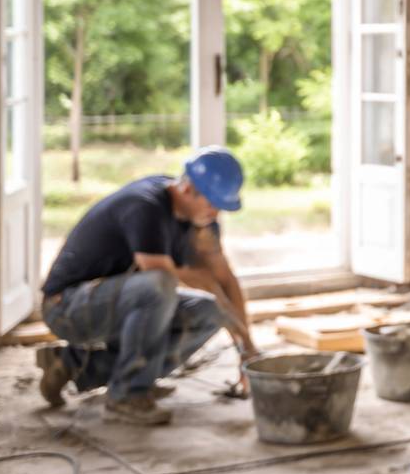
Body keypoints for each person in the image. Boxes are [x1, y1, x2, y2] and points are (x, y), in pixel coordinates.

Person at [35, 147, 256, 426]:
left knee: (209, 311)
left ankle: (72, 365)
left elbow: (224, 279)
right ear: (187, 189)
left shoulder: (201, 220)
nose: (216, 213)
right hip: (66, 307)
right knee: (158, 286)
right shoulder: (145, 206)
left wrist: (248, 347)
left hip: (119, 302)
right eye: (211, 203)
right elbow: (165, 275)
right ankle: (127, 396)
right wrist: (207, 279)